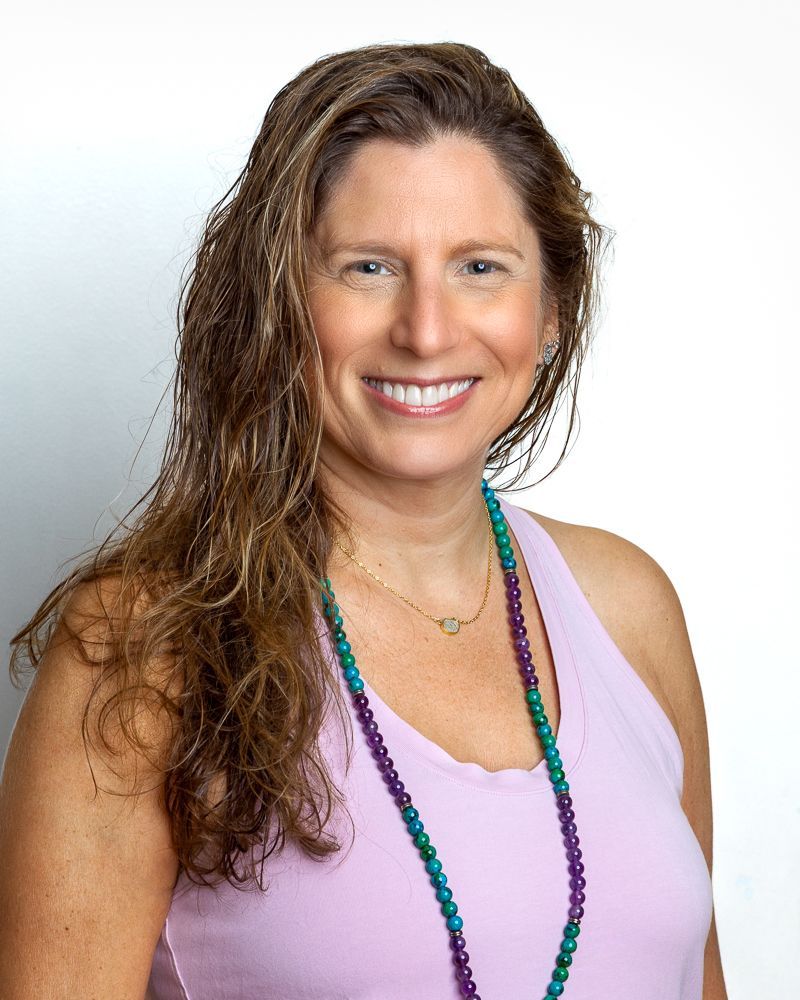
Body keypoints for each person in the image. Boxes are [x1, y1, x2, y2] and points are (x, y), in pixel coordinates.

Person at [0, 40, 727, 1000]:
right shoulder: (142, 653)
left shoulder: (628, 607)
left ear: (551, 310)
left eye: (479, 266)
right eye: (369, 267)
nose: (427, 330)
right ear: (278, 306)